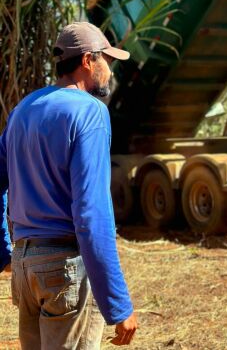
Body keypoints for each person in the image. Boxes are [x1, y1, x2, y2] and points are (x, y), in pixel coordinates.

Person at [0, 22, 138, 349]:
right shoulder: (90, 113)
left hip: (25, 267)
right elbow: (91, 215)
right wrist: (117, 304)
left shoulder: (23, 110)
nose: (109, 70)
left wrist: (5, 251)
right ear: (88, 61)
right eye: (106, 60)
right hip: (65, 267)